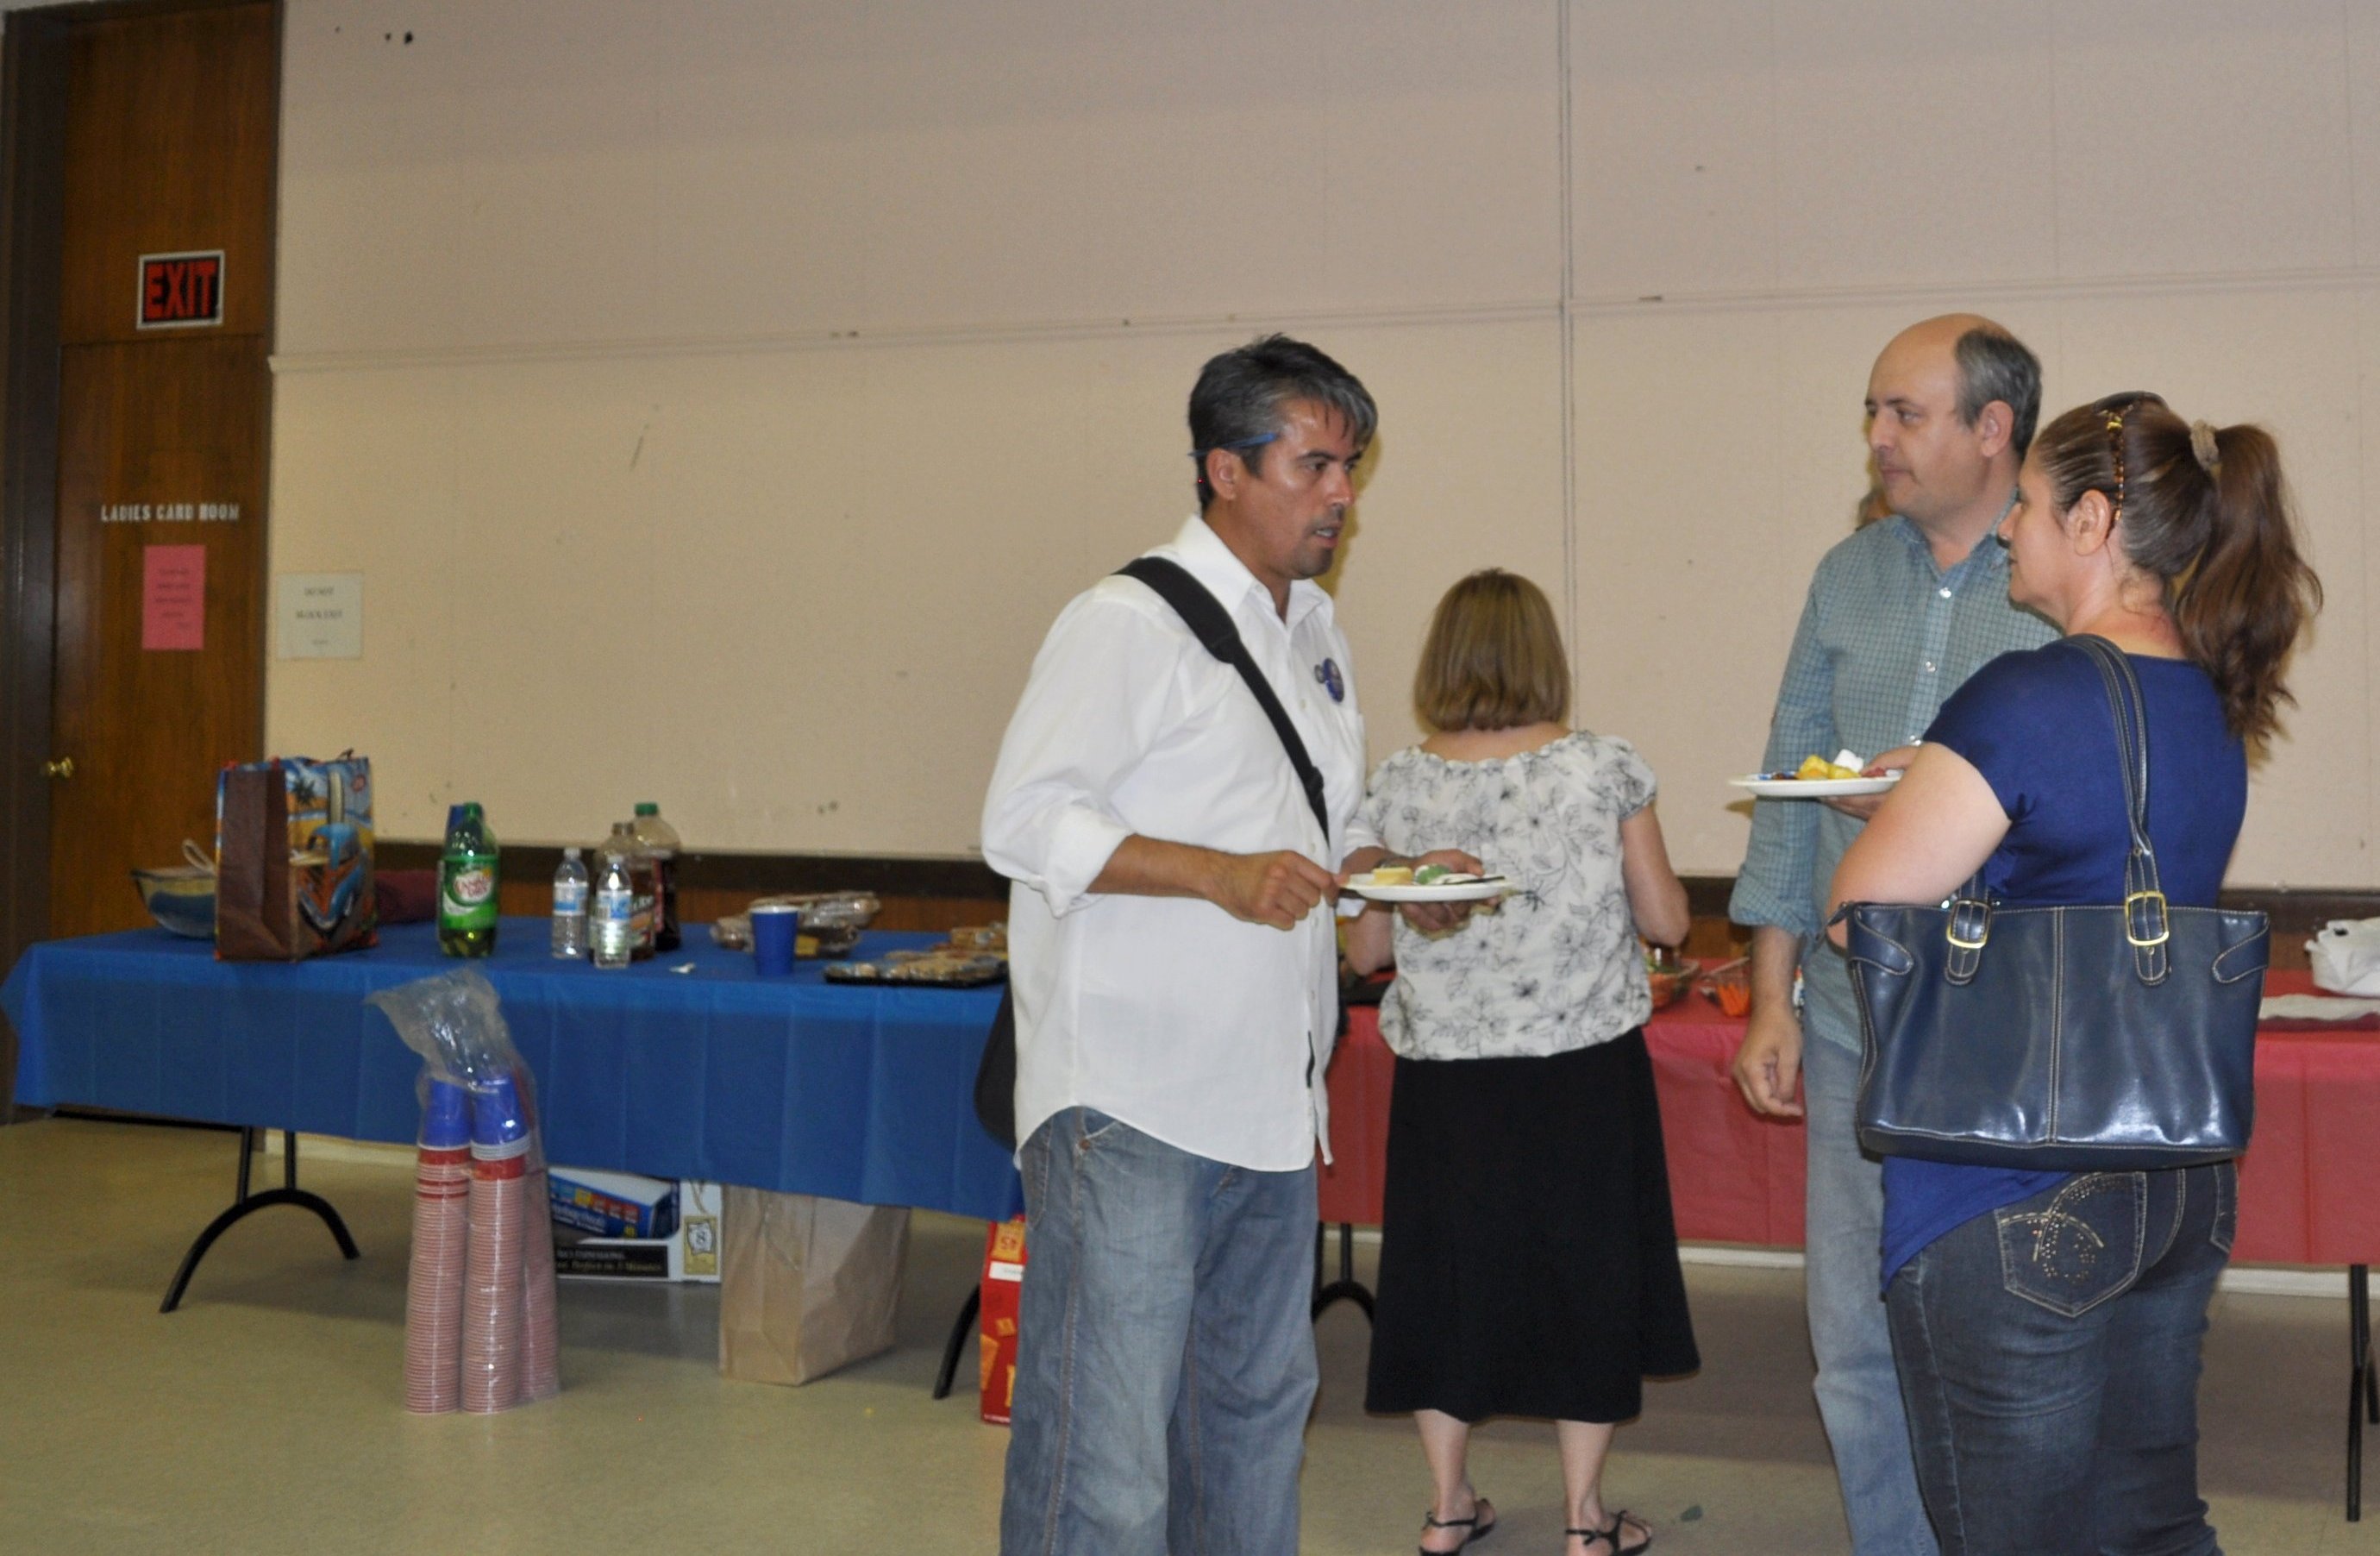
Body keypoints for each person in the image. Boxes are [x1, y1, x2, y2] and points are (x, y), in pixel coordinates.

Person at [1825, 392, 2320, 1553]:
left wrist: (1906, 803)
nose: (2007, 529)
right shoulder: (2209, 699)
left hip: (2011, 1187)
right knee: (2150, 1522)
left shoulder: (2022, 697)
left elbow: (1860, 919)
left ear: (2093, 523)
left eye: (2031, 507)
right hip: (2176, 1176)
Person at [980, 335, 1376, 1556]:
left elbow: (1317, 836)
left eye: (1351, 467)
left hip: (1272, 1103)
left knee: (1251, 1425)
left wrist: (1393, 882)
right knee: (1107, 1460)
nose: (1341, 495)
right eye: (1314, 465)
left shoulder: (1314, 630)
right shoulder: (1127, 622)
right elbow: (1023, 821)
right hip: (1132, 1103)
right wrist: (1218, 875)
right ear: (1225, 470)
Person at [1728, 315, 2057, 1553]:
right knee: (1855, 1339)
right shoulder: (1845, 574)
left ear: (1992, 429)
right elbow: (1785, 790)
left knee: (2000, 1328)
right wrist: (1770, 998)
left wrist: (1947, 797)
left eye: (1904, 413)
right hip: (1848, 1013)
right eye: (1872, 411)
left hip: (2006, 1025)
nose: (1876, 437)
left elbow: (2093, 795)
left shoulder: (2065, 576)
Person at [1343, 569, 1700, 1556]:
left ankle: (1448, 1505)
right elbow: (1669, 920)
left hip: (1446, 1081)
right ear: (1546, 656)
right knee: (1588, 1277)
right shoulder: (1603, 768)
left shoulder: (1397, 784)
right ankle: (1585, 1518)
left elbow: (1367, 951)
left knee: (1444, 1277)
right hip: (1582, 1073)